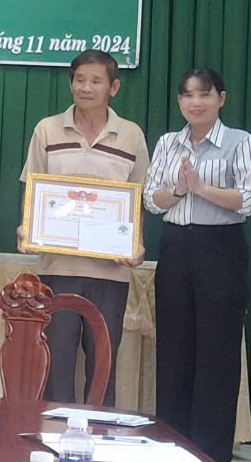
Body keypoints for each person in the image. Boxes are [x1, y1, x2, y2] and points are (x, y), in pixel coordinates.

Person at [144, 67, 251, 462]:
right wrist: (180, 190)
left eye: (204, 94)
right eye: (188, 95)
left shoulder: (240, 142)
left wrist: (202, 189)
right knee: (174, 346)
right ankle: (172, 440)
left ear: (221, 99)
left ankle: (211, 452)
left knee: (218, 349)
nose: (195, 102)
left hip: (221, 248)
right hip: (176, 246)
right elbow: (151, 199)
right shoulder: (168, 143)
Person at [18, 51, 151, 404]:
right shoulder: (47, 129)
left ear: (114, 88)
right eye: (80, 80)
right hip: (57, 269)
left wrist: (136, 244)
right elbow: (33, 192)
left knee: (103, 367)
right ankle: (52, 431)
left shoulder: (131, 135)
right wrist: (27, 229)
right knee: (56, 365)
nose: (86, 88)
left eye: (96, 81)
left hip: (111, 273)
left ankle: (100, 432)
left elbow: (138, 199)